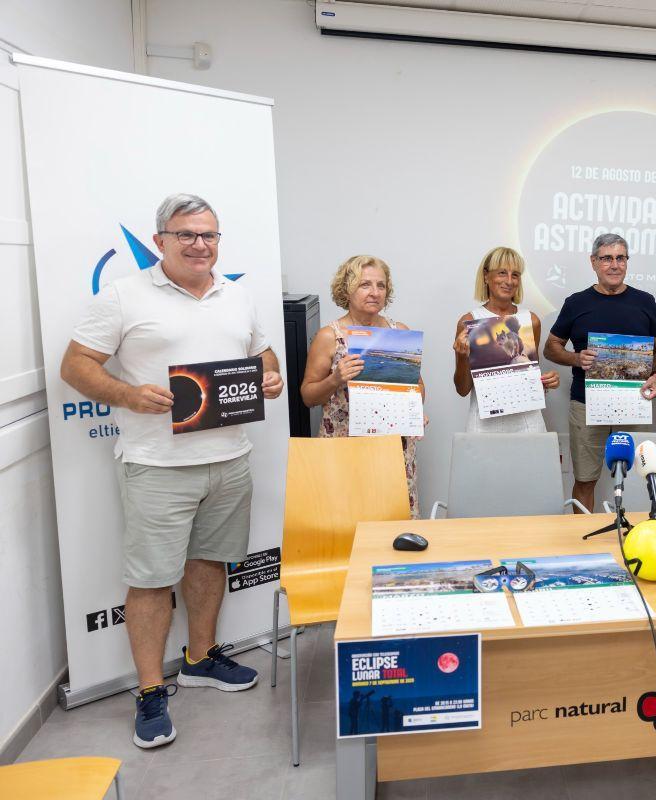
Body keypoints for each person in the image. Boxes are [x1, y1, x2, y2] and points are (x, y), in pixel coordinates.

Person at [60, 194, 284, 749]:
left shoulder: (236, 294)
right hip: (157, 465)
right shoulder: (124, 295)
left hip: (229, 460)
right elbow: (75, 365)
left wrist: (270, 377)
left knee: (209, 563)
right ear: (160, 240)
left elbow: (264, 355)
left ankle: (200, 658)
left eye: (208, 235)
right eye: (186, 234)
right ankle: (150, 691)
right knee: (152, 580)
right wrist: (128, 395)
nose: (199, 244)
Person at [544, 233, 656, 512]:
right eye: (606, 258)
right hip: (587, 404)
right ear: (593, 262)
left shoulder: (645, 301)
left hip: (635, 403)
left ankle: (635, 532)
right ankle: (582, 536)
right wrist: (576, 358)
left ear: (627, 261)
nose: (614, 265)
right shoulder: (576, 302)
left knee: (640, 478)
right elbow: (550, 348)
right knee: (585, 479)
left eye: (620, 258)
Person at [300, 255, 423, 515]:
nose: (375, 292)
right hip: (345, 449)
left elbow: (418, 388)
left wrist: (414, 410)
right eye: (365, 284)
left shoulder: (399, 331)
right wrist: (335, 379)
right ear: (347, 288)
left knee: (394, 521)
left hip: (392, 448)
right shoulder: (329, 336)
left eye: (381, 285)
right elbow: (308, 396)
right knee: (344, 520)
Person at [452, 247, 559, 431]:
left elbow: (531, 378)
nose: (509, 281)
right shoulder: (469, 321)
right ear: (486, 276)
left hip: (528, 424)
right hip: (484, 426)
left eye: (515, 275)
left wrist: (548, 382)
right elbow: (462, 390)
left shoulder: (531, 320)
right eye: (502, 273)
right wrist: (462, 357)